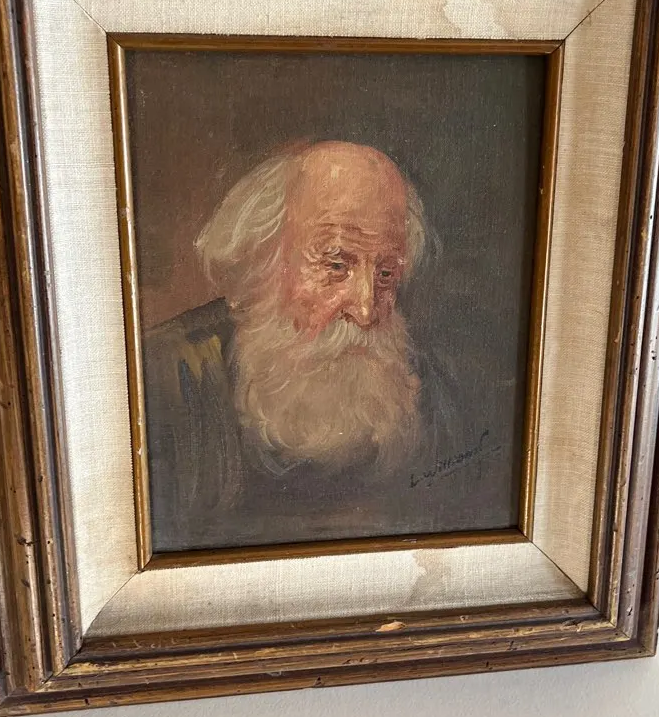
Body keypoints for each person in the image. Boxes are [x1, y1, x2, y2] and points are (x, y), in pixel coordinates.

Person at [143, 141, 501, 553]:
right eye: (335, 265)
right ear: (259, 265)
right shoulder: (163, 381)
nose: (365, 309)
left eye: (385, 274)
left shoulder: (439, 400)